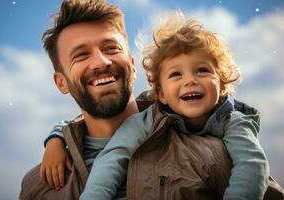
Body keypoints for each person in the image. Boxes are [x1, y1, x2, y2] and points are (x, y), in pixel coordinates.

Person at [20, 0, 284, 199]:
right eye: (81, 55)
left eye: (111, 48)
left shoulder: (213, 152)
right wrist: (57, 136)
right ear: (61, 82)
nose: (101, 61)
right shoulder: (39, 186)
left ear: (133, 65)